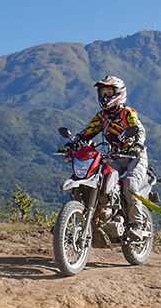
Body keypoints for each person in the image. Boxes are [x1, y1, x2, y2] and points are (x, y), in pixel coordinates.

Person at [63, 76, 151, 236]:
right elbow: (87, 132)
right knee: (101, 178)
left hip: (135, 156)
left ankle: (136, 224)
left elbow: (139, 129)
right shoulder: (101, 117)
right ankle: (75, 221)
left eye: (108, 92)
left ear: (119, 93)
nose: (104, 96)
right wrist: (73, 143)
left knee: (130, 184)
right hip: (114, 156)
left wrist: (137, 144)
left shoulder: (127, 113)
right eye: (102, 92)